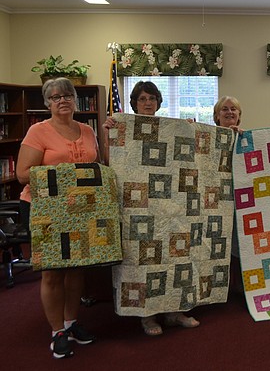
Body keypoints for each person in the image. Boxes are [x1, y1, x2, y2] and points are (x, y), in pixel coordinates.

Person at [103, 81, 200, 336]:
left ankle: (173, 311)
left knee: (174, 258)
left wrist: (192, 131)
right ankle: (147, 315)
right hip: (138, 207)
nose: (148, 103)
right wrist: (108, 133)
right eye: (143, 98)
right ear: (134, 102)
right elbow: (109, 161)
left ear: (158, 102)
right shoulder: (122, 127)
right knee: (141, 260)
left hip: (169, 207)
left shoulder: (170, 129)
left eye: (152, 98)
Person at [16, 78, 99, 358]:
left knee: (76, 268)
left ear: (75, 99)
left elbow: (98, 165)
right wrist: (66, 175)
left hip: (79, 208)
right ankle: (57, 332)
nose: (62, 100)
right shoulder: (37, 132)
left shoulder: (88, 130)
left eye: (67, 95)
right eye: (55, 97)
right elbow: (23, 174)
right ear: (47, 103)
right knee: (53, 271)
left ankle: (71, 323)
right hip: (45, 209)